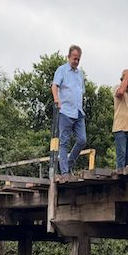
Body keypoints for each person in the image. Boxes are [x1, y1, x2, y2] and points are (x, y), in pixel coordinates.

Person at [51, 44, 86, 174]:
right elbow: (55, 86)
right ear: (69, 57)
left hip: (78, 112)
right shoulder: (62, 70)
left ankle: (69, 163)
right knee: (64, 142)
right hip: (65, 111)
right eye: (74, 59)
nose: (76, 62)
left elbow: (80, 91)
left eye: (78, 59)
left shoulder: (80, 74)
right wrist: (57, 99)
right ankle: (65, 173)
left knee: (82, 140)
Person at [112, 69, 128, 169]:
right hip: (120, 128)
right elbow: (121, 92)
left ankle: (126, 178)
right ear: (122, 80)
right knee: (121, 155)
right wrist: (126, 77)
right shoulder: (116, 88)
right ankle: (120, 177)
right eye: (127, 81)